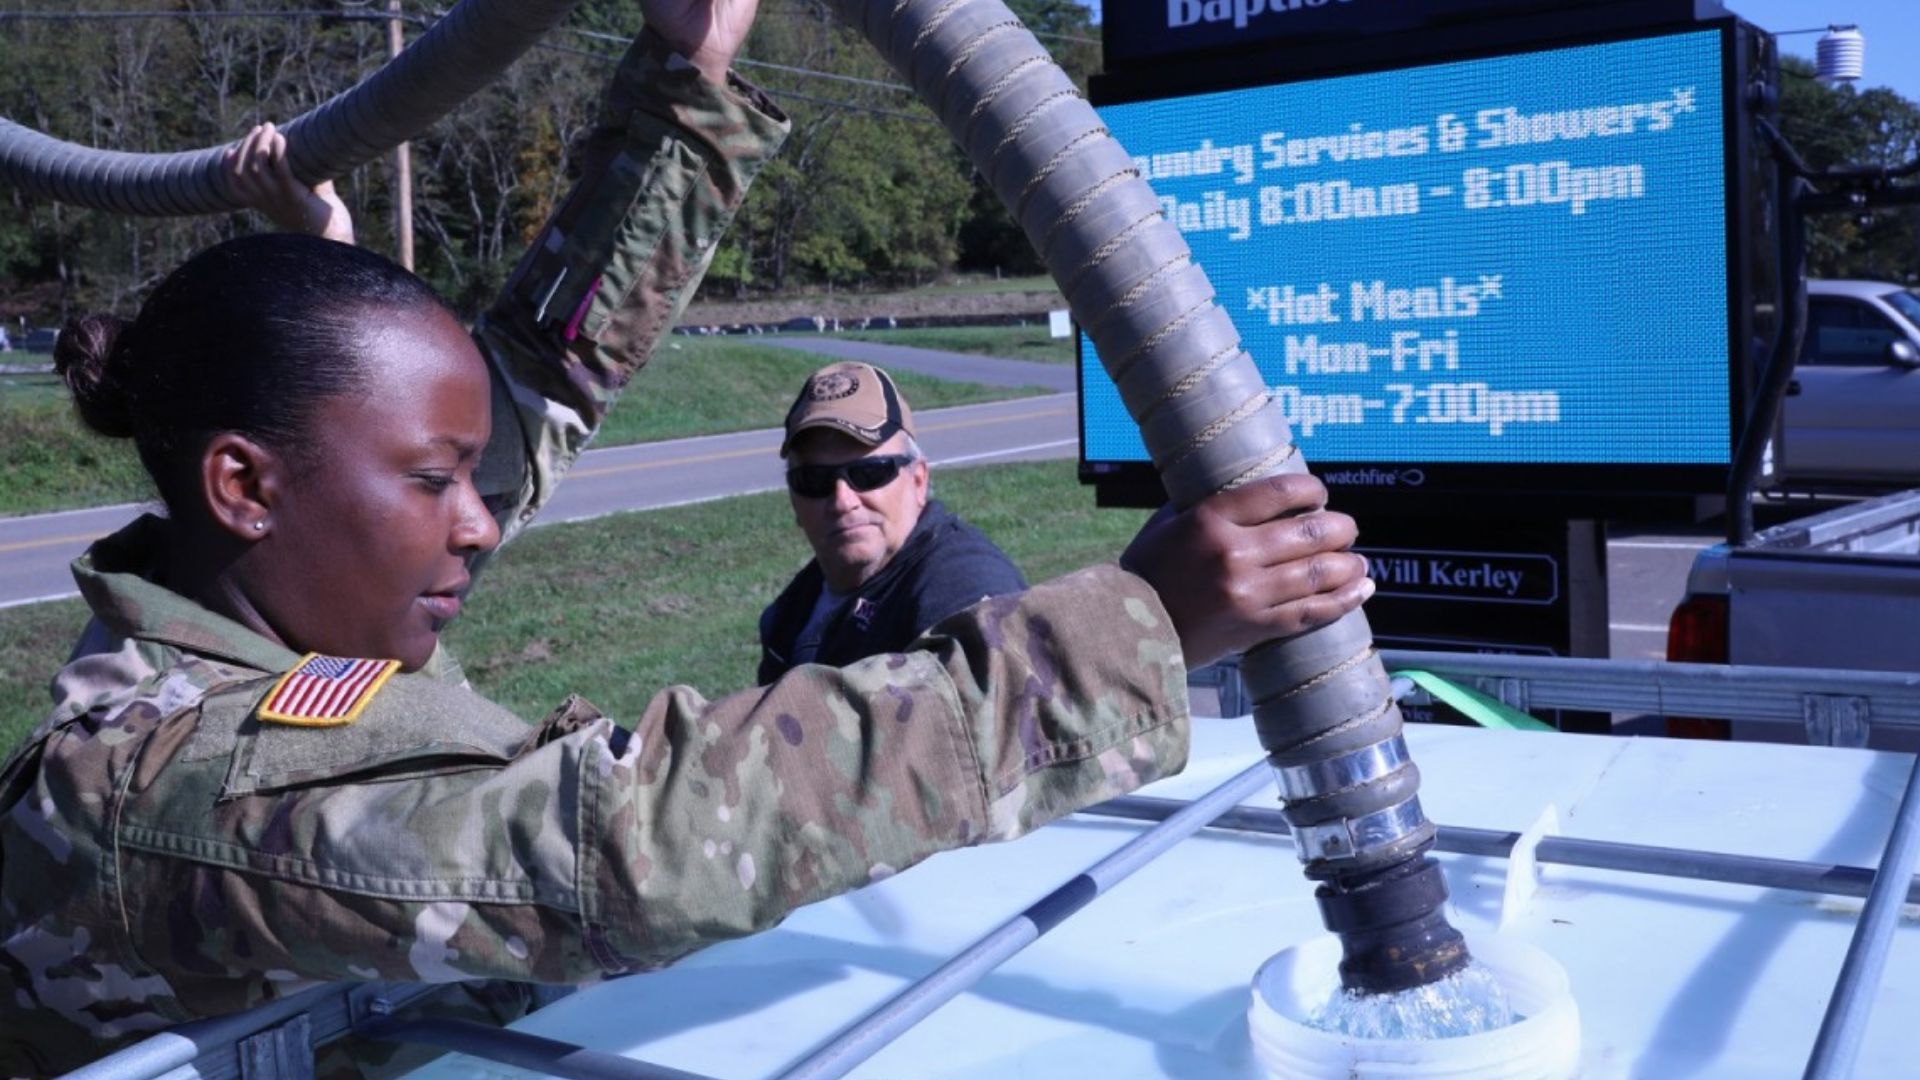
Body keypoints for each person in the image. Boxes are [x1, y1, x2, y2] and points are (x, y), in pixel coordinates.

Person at [0, 5, 1375, 1074]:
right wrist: (1129, 638)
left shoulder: (253, 602)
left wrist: (686, 83)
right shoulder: (174, 783)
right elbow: (609, 849)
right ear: (247, 485)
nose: (479, 520)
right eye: (432, 483)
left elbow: (538, 368)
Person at [758, 360, 1027, 682]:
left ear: (918, 482)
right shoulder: (795, 607)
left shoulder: (961, 586)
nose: (843, 501)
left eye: (869, 473)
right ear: (793, 498)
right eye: (814, 480)